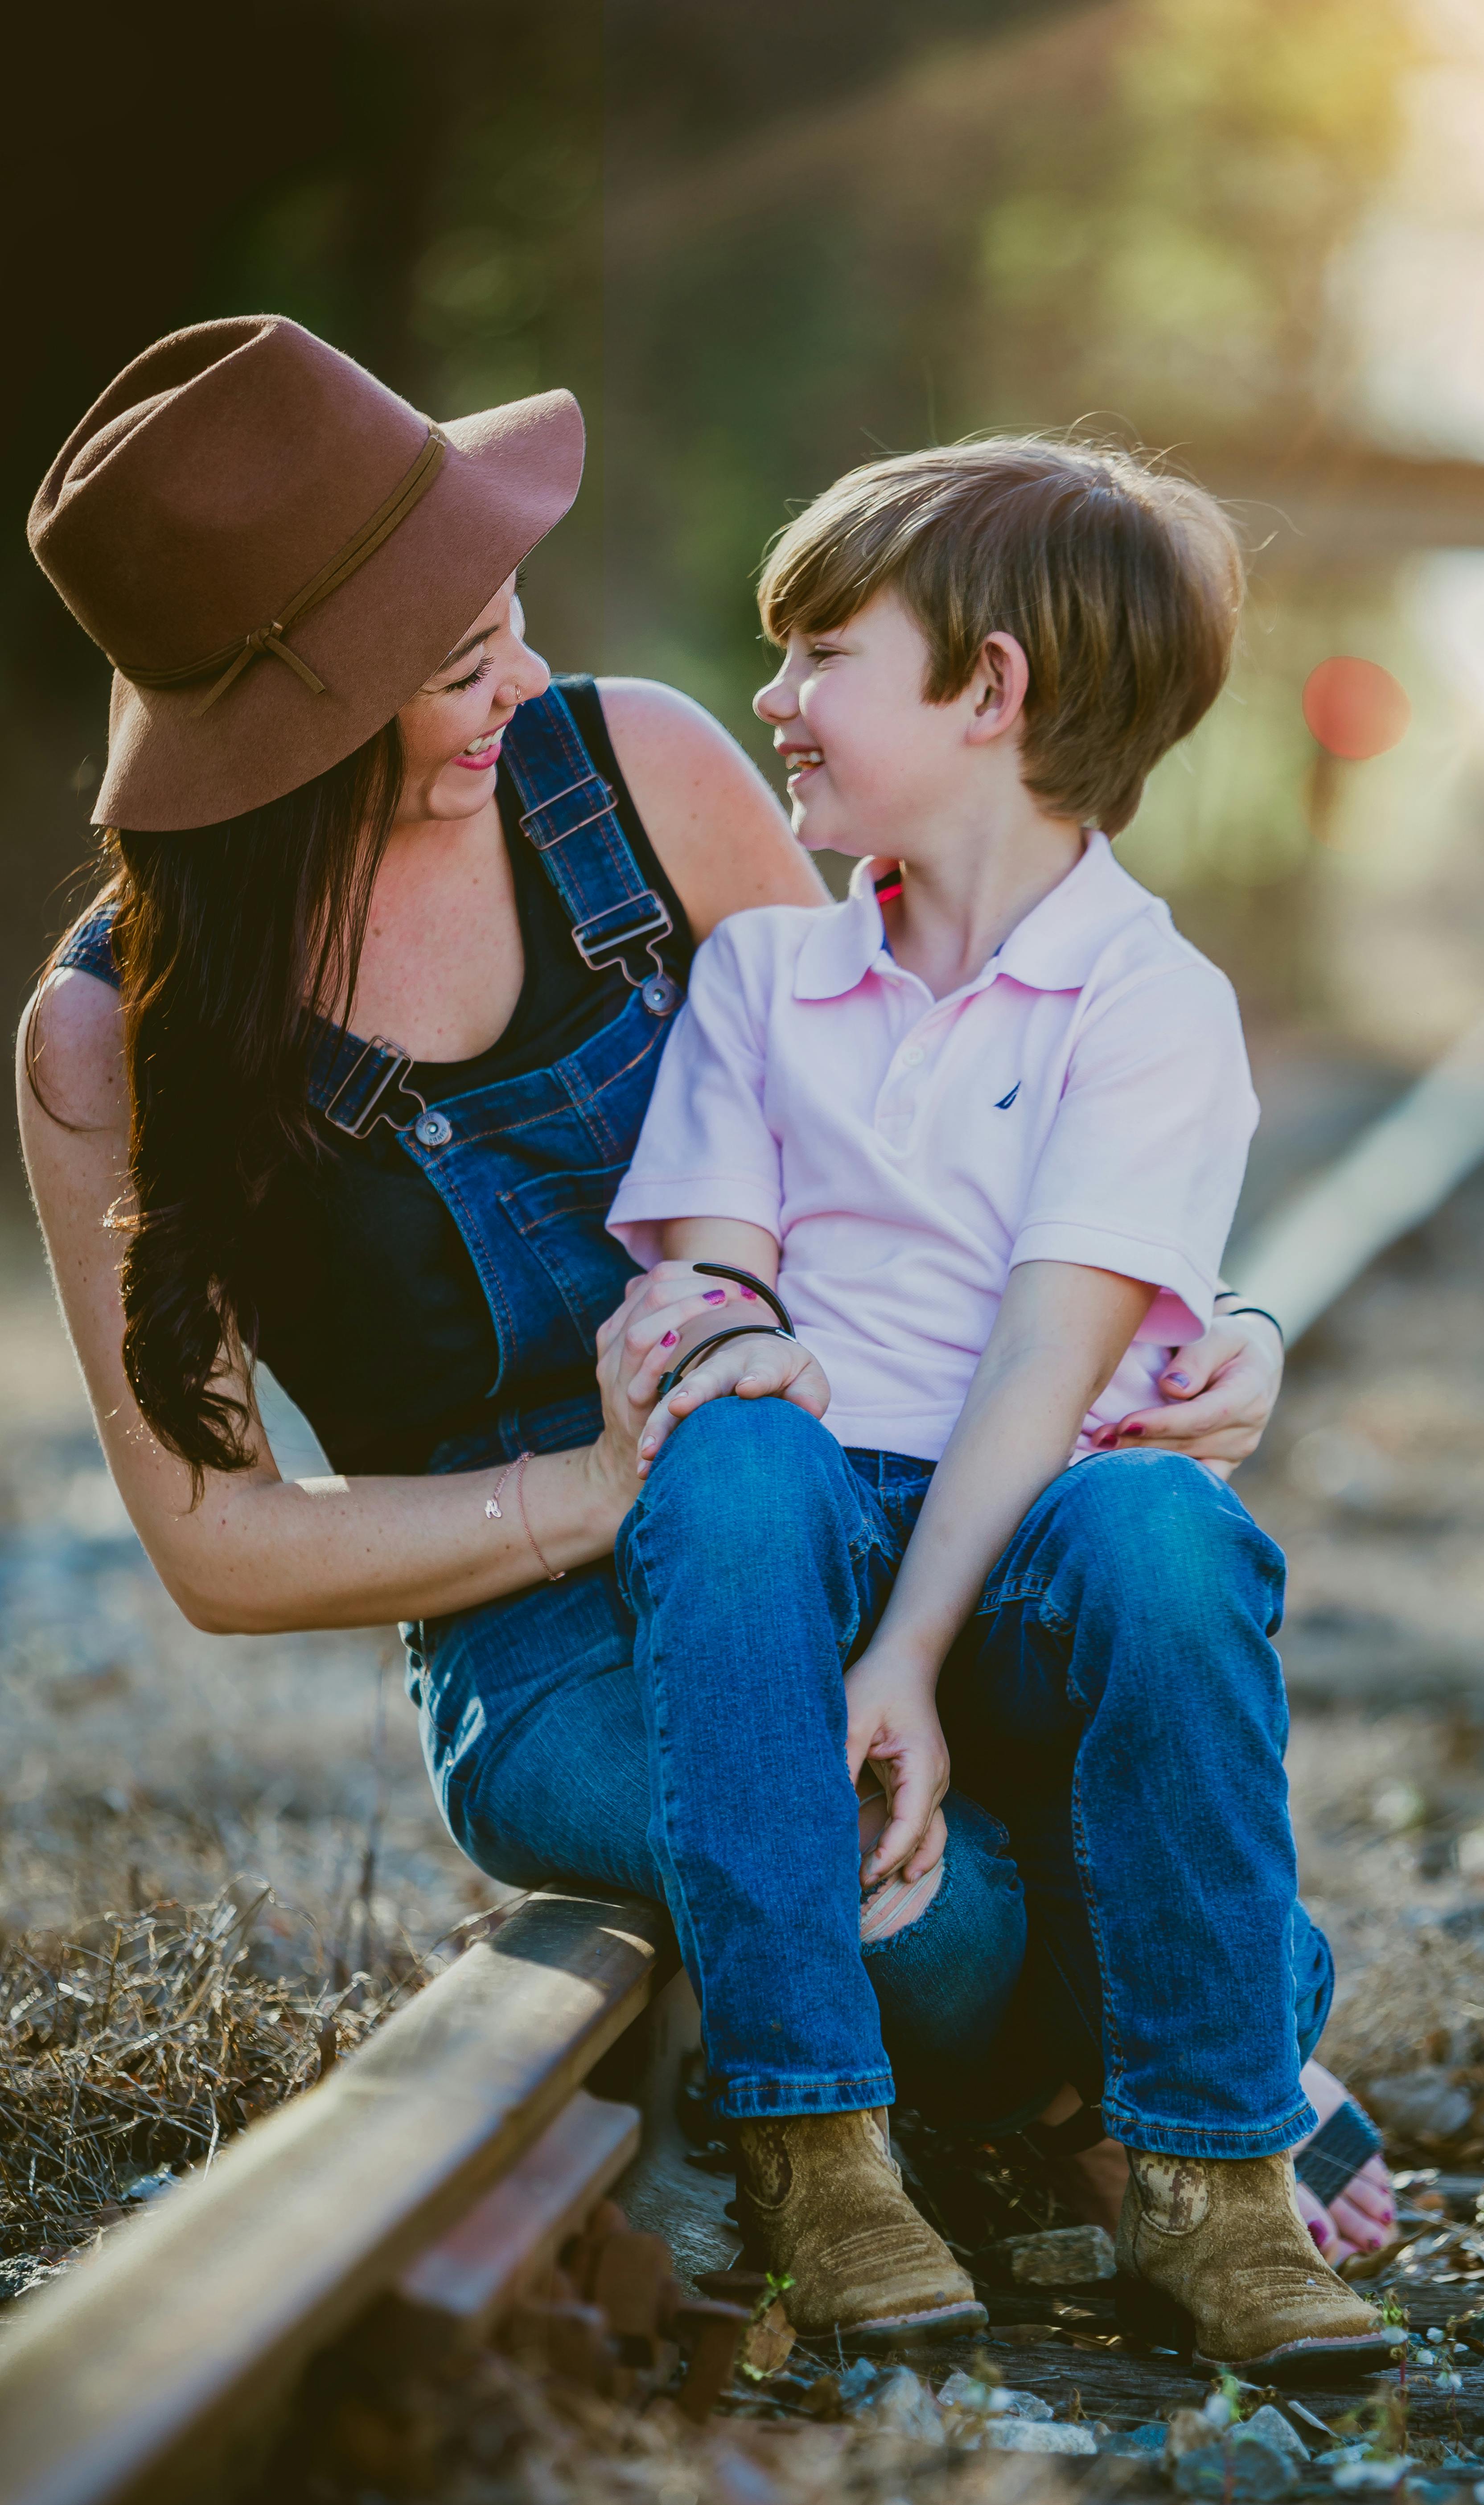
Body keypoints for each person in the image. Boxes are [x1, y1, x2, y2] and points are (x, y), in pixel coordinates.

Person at [13, 319, 1332, 2271]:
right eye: (464, 667)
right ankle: (1119, 2078)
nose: (526, 682)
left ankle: (1210, 2088)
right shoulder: (112, 1041)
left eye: (514, 620)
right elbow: (216, 1547)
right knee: (934, 1913)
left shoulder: (636, 775)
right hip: (543, 1637)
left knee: (1141, 1616)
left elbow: (922, 1145)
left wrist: (1197, 1322)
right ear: (288, 728)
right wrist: (594, 1491)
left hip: (832, 1509)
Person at [595, 437, 1392, 2378]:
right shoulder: (768, 978)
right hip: (803, 1515)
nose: (770, 697)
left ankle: (1212, 2170)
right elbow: (723, 1297)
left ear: (992, 688)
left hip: (1024, 1538)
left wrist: (914, 1657)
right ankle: (815, 2146)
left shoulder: (1149, 999)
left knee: (1170, 1530)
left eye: (823, 652)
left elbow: (1054, 1357)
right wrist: (715, 1347)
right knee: (733, 1460)